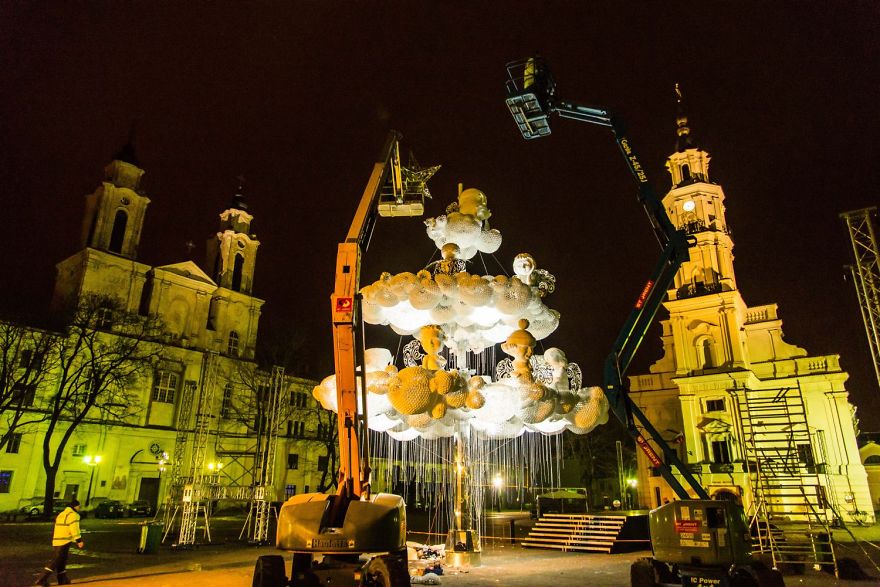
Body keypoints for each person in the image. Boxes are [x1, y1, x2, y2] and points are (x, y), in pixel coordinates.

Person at [35, 498, 84, 585]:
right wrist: (79, 540)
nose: (79, 508)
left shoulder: (61, 514)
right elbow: (74, 529)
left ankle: (62, 579)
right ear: (75, 506)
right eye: (78, 506)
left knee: (62, 560)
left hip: (56, 539)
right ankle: (42, 578)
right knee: (56, 560)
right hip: (65, 540)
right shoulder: (73, 515)